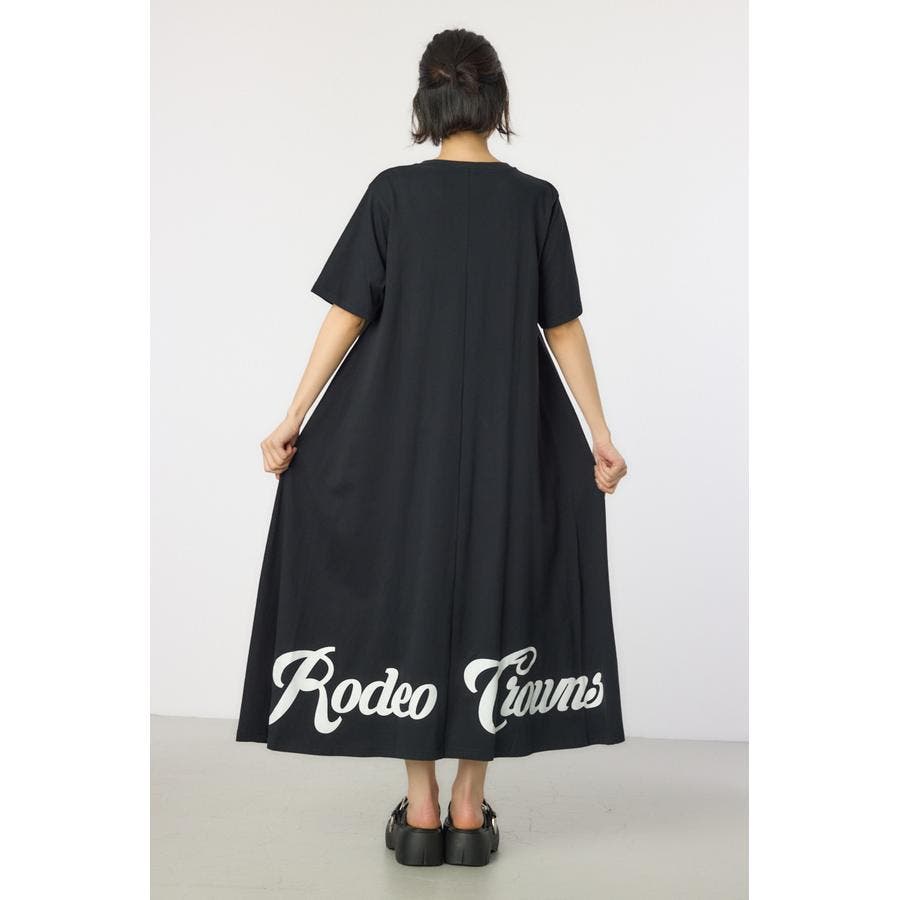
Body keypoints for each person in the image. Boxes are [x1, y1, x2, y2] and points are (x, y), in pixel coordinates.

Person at [236, 28, 628, 868]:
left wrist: (293, 415)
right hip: (509, 436)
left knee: (409, 592)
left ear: (428, 101)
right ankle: (469, 807)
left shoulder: (393, 195)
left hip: (399, 436)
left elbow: (348, 313)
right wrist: (599, 434)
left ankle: (419, 811)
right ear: (497, 100)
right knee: (494, 587)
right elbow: (562, 326)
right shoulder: (535, 202)